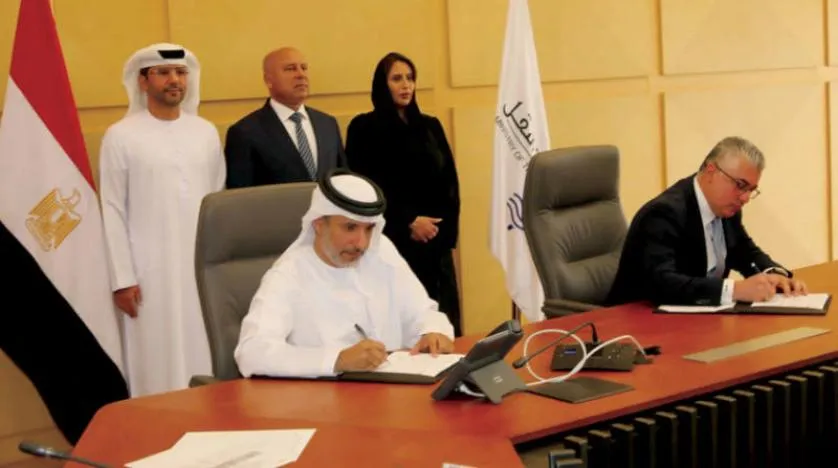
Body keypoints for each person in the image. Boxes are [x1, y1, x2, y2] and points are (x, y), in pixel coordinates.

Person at [234, 169, 455, 378]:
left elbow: (421, 311)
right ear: (319, 224)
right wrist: (336, 360)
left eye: (369, 229)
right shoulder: (289, 274)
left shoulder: (380, 252)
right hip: (322, 400)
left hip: (391, 392)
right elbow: (251, 352)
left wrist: (432, 332)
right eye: (350, 228)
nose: (361, 243)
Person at [99, 43, 225, 396]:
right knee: (154, 353)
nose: (175, 80)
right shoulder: (120, 136)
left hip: (200, 267)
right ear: (143, 82)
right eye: (164, 73)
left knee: (204, 347)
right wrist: (122, 278)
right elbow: (112, 208)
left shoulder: (205, 132)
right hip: (148, 272)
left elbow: (218, 199)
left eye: (181, 73)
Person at [607, 136, 807, 307]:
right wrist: (734, 290)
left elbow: (744, 251)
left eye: (751, 190)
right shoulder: (664, 213)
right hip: (638, 323)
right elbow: (662, 283)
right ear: (711, 171)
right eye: (740, 185)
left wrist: (774, 275)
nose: (745, 198)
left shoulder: (727, 207)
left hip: (698, 319)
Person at [345, 52, 462, 336]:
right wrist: (408, 222)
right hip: (393, 243)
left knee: (443, 326)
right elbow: (366, 187)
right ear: (382, 84)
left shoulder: (430, 126)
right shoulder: (364, 128)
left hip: (435, 245)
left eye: (410, 78)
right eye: (397, 78)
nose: (406, 85)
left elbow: (450, 182)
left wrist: (441, 232)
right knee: (404, 328)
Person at [224, 47, 346, 187]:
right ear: (268, 80)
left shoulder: (327, 123)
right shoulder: (245, 132)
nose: (301, 75)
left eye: (304, 68)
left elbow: (343, 178)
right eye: (290, 69)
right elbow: (241, 193)